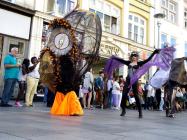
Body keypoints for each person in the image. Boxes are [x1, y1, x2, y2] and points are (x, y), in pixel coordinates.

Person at [114, 50, 159, 118]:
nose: (134, 57)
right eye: (133, 56)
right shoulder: (128, 62)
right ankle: (123, 110)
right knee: (124, 95)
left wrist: (154, 52)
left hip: (135, 80)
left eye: (135, 56)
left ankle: (140, 111)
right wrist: (114, 57)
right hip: (128, 80)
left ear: (137, 57)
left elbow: (148, 59)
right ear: (131, 57)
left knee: (136, 96)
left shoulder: (139, 63)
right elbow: (121, 60)